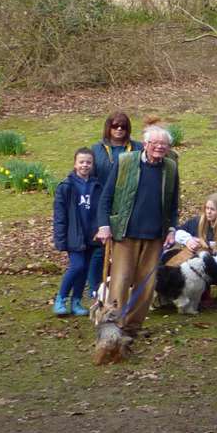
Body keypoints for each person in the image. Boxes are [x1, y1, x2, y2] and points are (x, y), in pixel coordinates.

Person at [94, 124, 180, 338]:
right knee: (120, 282)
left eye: (164, 144)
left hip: (155, 237)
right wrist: (104, 226)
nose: (159, 148)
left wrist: (171, 228)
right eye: (155, 143)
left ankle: (133, 327)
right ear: (146, 144)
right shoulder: (126, 162)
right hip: (126, 234)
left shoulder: (170, 168)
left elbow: (173, 203)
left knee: (147, 285)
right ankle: (115, 327)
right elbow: (106, 197)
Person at [87, 113, 136, 298]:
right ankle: (94, 288)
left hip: (127, 205)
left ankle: (121, 288)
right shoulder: (97, 149)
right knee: (100, 249)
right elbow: (88, 176)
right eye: (115, 126)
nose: (119, 130)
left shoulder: (136, 148)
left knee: (123, 248)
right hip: (102, 203)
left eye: (123, 126)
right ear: (108, 127)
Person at [53, 147, 100, 316]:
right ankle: (61, 298)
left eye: (88, 162)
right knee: (77, 266)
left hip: (91, 235)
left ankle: (77, 301)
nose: (85, 165)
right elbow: (59, 215)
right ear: (75, 163)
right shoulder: (66, 186)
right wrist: (60, 238)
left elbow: (100, 211)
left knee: (85, 269)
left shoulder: (96, 185)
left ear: (92, 165)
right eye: (81, 162)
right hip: (74, 235)